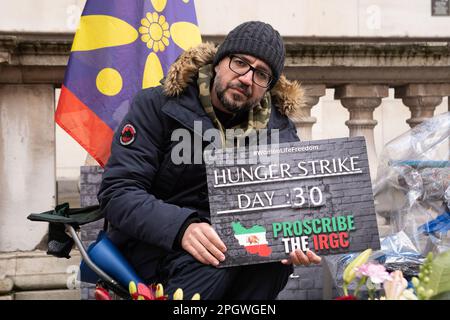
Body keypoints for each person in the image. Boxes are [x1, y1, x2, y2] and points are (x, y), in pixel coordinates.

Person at [98, 21, 321, 300]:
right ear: (218, 62)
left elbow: (291, 205)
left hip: (235, 242)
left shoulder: (280, 130)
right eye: (240, 63)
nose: (247, 79)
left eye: (262, 74)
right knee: (216, 259)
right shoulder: (156, 106)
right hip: (153, 246)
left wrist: (295, 237)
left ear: (268, 87)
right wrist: (182, 228)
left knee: (271, 263)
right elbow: (118, 193)